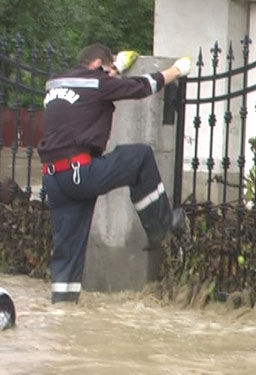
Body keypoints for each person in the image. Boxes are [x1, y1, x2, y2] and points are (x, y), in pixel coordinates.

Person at [38, 43, 192, 304]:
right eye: (108, 69)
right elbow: (141, 86)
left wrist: (117, 67)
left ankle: (62, 307)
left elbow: (88, 88)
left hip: (53, 178)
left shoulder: (54, 84)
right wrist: (175, 70)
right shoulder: (99, 84)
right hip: (81, 172)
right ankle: (161, 225)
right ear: (99, 65)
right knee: (139, 157)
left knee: (68, 249)